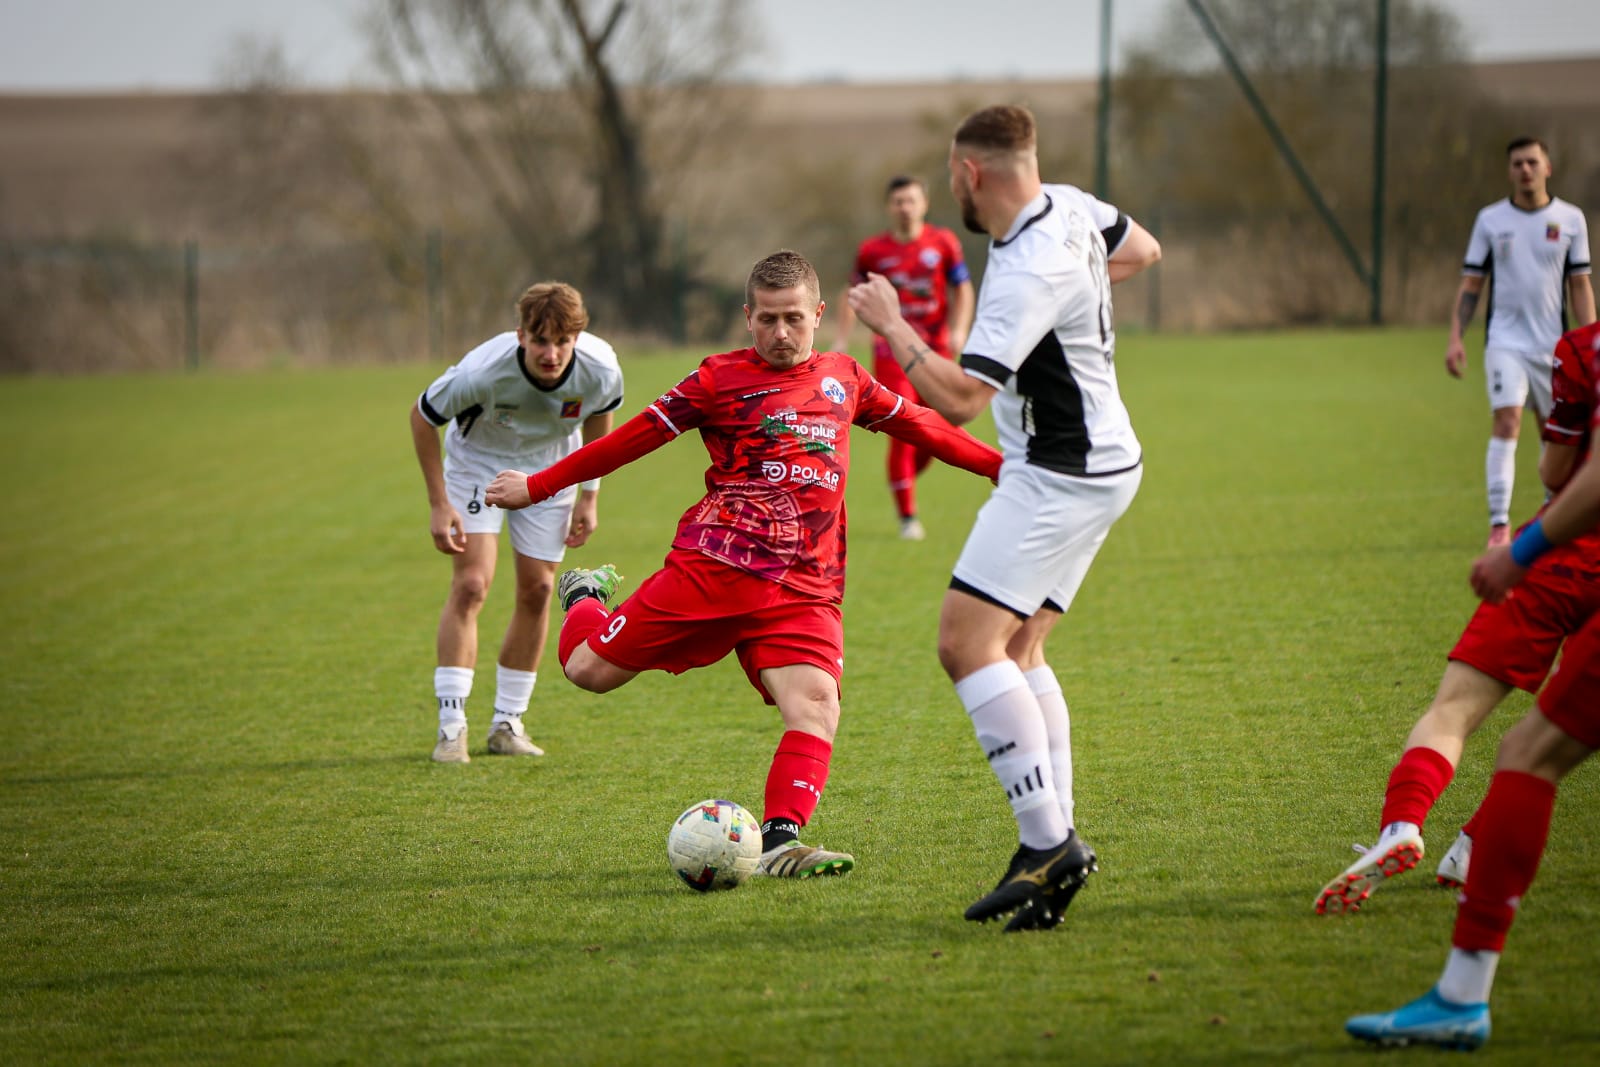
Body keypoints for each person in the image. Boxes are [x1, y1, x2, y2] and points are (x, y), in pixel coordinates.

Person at [483, 250, 1003, 878]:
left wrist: (1006, 470)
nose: (781, 334)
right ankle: (584, 597)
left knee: (816, 705)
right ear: (747, 318)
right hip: (715, 569)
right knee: (587, 670)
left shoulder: (846, 378)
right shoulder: (716, 380)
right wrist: (538, 487)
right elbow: (627, 440)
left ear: (817, 314)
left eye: (793, 319)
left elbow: (924, 425)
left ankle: (783, 840)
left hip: (807, 583)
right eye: (767, 320)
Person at [847, 104, 1161, 930]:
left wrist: (894, 326)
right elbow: (1143, 249)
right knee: (1020, 647)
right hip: (1104, 462)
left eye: (950, 171)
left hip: (1057, 473)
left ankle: (1048, 842)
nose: (948, 183)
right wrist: (1072, 303)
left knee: (964, 643)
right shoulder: (1073, 204)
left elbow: (959, 397)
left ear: (971, 173)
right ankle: (1054, 845)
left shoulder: (1025, 269)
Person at [1343, 331, 1600, 1051]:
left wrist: (1518, 550)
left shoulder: (1586, 350)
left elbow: (1560, 468)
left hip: (1561, 550)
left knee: (1468, 715)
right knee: (1538, 747)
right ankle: (1469, 850)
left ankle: (1404, 825)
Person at [410, 282, 623, 763]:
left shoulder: (601, 368)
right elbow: (423, 417)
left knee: (539, 591)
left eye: (562, 341)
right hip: (477, 467)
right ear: (520, 335)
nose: (551, 353)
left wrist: (590, 495)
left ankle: (507, 723)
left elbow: (599, 422)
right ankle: (451, 727)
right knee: (471, 585)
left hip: (550, 470)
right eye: (540, 340)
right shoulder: (482, 371)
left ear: (577, 338)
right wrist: (438, 503)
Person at [1444, 136, 1593, 548]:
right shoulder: (1491, 221)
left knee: (1555, 437)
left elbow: (1580, 285)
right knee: (1506, 420)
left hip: (1555, 347)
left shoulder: (1571, 219)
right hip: (1505, 342)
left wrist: (1591, 343)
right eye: (1517, 164)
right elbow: (1472, 283)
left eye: (1531, 162)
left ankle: (1553, 517)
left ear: (1548, 167)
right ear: (1509, 171)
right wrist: (1456, 336)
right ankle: (1499, 526)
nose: (1524, 170)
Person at [830, 175, 976, 541]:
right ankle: (908, 517)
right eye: (898, 201)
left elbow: (963, 288)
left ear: (924, 204)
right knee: (903, 428)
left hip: (936, 349)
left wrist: (960, 329)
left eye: (911, 201)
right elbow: (852, 291)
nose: (905, 208)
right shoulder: (873, 251)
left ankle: (903, 478)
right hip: (890, 351)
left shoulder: (943, 243)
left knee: (938, 428)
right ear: (888, 207)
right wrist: (843, 338)